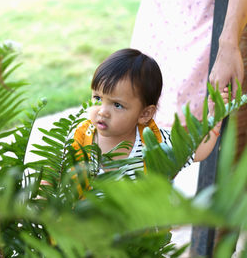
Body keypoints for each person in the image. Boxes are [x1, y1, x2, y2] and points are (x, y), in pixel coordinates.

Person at [72, 48, 228, 179]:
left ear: (145, 114)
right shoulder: (79, 138)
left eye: (117, 105)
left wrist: (215, 117)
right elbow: (55, 174)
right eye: (98, 98)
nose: (103, 111)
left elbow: (198, 150)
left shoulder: (156, 144)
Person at [130, 0, 247, 129]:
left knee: (185, 130)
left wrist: (229, 43)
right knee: (141, 108)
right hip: (158, 15)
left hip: (206, 26)